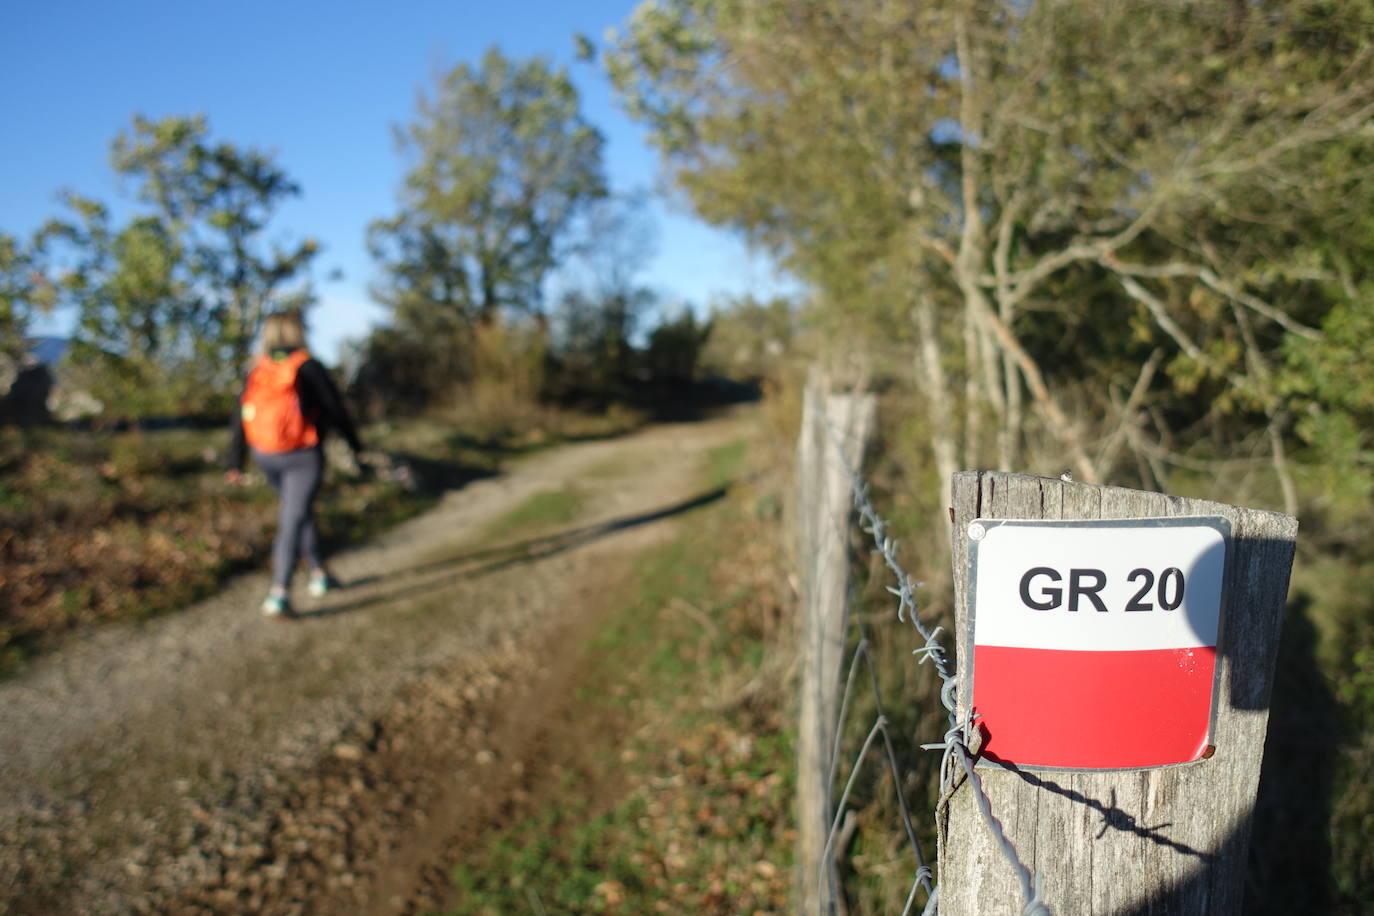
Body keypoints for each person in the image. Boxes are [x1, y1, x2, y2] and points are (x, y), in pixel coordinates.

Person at [226, 310, 363, 618]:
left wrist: (235, 461)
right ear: (298, 331)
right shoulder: (308, 366)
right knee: (293, 518)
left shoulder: (257, 367)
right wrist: (356, 446)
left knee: (298, 511)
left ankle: (319, 573)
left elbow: (240, 415)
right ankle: (279, 593)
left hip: (265, 454)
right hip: (303, 456)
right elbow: (336, 409)